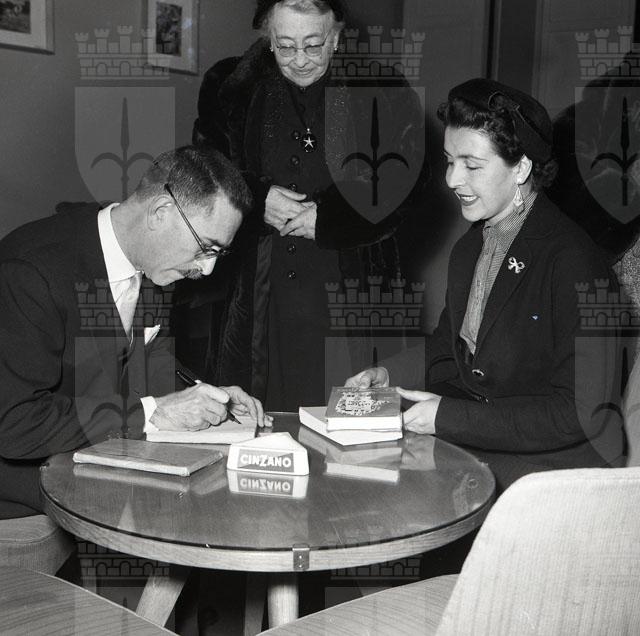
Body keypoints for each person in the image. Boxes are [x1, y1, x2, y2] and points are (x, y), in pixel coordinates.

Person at [347, 79, 625, 492]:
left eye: (472, 165)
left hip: (559, 472)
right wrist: (388, 374)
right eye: (449, 161)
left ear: (522, 169)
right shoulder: (471, 247)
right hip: (492, 445)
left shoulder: (575, 263)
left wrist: (446, 417)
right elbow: (449, 349)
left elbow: (580, 414)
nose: (452, 179)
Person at [0, 145, 271, 519]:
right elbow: (14, 423)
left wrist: (207, 399)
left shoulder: (154, 263)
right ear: (161, 212)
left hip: (93, 460)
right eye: (206, 248)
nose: (207, 269)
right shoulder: (32, 271)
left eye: (217, 254)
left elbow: (150, 359)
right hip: (24, 490)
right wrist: (152, 413)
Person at [193, 0, 425, 410]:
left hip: (346, 286)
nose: (299, 59)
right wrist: (255, 198)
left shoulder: (381, 90)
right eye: (285, 46)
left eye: (314, 45)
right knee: (251, 412)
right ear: (268, 38)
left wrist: (332, 217)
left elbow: (406, 179)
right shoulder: (231, 87)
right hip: (258, 292)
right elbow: (205, 169)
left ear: (335, 37)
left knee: (351, 414)